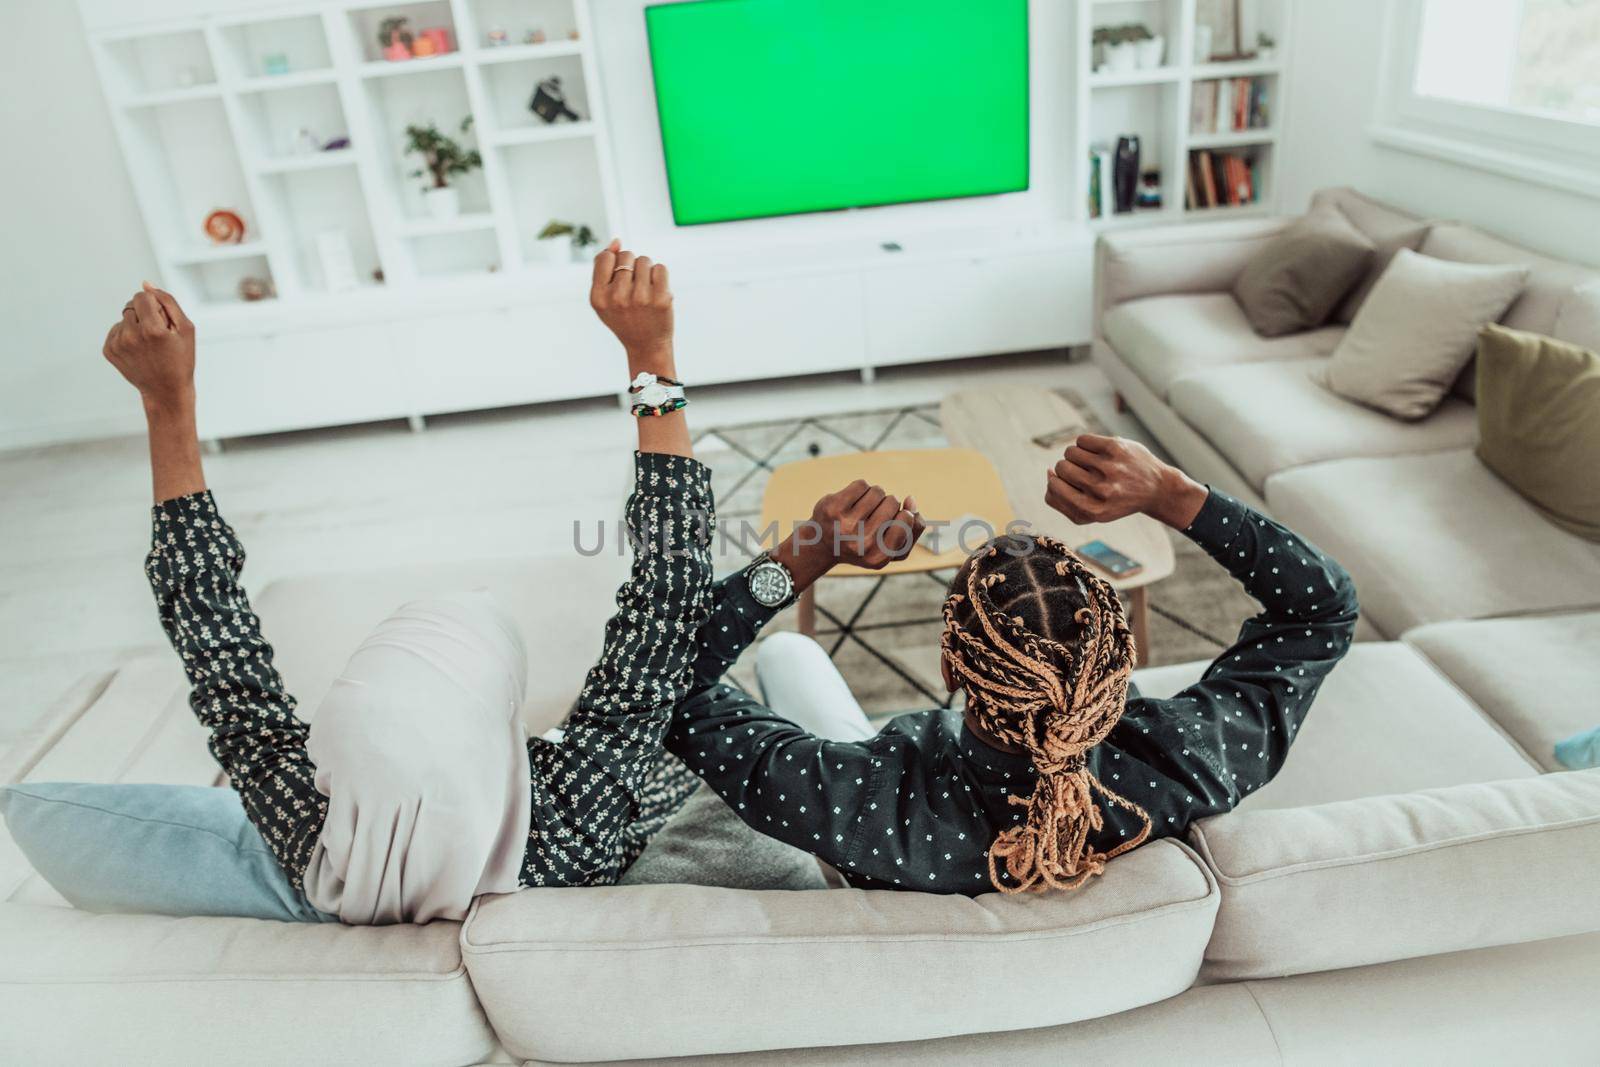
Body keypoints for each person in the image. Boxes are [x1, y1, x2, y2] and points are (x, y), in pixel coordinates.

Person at [107, 241, 901, 923]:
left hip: (622, 751)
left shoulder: (325, 843)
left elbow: (216, 647)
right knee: (767, 667)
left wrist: (167, 404)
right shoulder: (571, 816)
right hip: (695, 773)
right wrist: (650, 357)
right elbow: (667, 608)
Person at [666, 435, 1359, 893]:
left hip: (892, 791)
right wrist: (1175, 494)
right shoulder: (1189, 759)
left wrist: (809, 551)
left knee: (787, 651)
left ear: (949, 667)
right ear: (1116, 664)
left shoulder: (859, 798)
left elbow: (664, 683)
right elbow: (1322, 607)